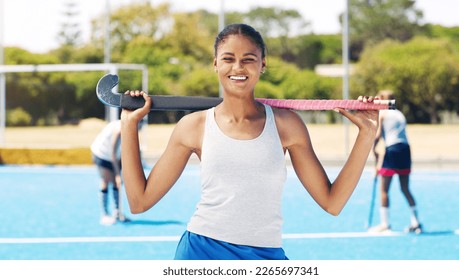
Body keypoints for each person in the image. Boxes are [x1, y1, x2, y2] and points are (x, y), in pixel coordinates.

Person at [120, 23, 379, 259]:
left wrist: (366, 135)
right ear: (216, 64)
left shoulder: (287, 125)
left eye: (248, 59)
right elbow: (139, 201)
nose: (238, 68)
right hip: (202, 253)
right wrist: (129, 126)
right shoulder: (193, 126)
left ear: (262, 64)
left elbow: (332, 202)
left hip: (265, 257)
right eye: (228, 59)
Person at [370, 89, 422, 233]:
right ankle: (416, 222)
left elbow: (378, 136)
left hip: (392, 149)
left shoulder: (383, 113)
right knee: (405, 188)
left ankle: (385, 224)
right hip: (405, 150)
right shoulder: (399, 113)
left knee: (384, 190)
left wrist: (375, 157)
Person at [91, 119, 129, 225]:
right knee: (106, 181)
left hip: (113, 156)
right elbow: (112, 152)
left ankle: (117, 212)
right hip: (101, 154)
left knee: (116, 183)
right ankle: (104, 215)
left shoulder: (128, 127)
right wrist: (117, 174)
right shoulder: (119, 129)